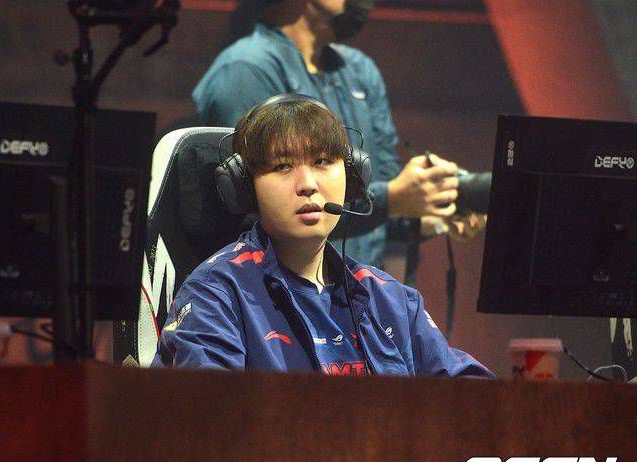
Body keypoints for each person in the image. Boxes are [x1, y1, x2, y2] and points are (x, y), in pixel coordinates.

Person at [152, 94, 492, 378]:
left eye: (322, 161)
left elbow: (470, 395)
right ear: (244, 187)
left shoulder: (391, 301)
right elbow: (211, 419)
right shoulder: (216, 294)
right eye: (282, 166)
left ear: (353, 176)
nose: (308, 185)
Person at [191, 0, 481, 281]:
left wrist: (431, 213)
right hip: (276, 295)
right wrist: (393, 199)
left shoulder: (359, 70)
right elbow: (253, 214)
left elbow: (381, 198)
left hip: (357, 296)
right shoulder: (245, 70)